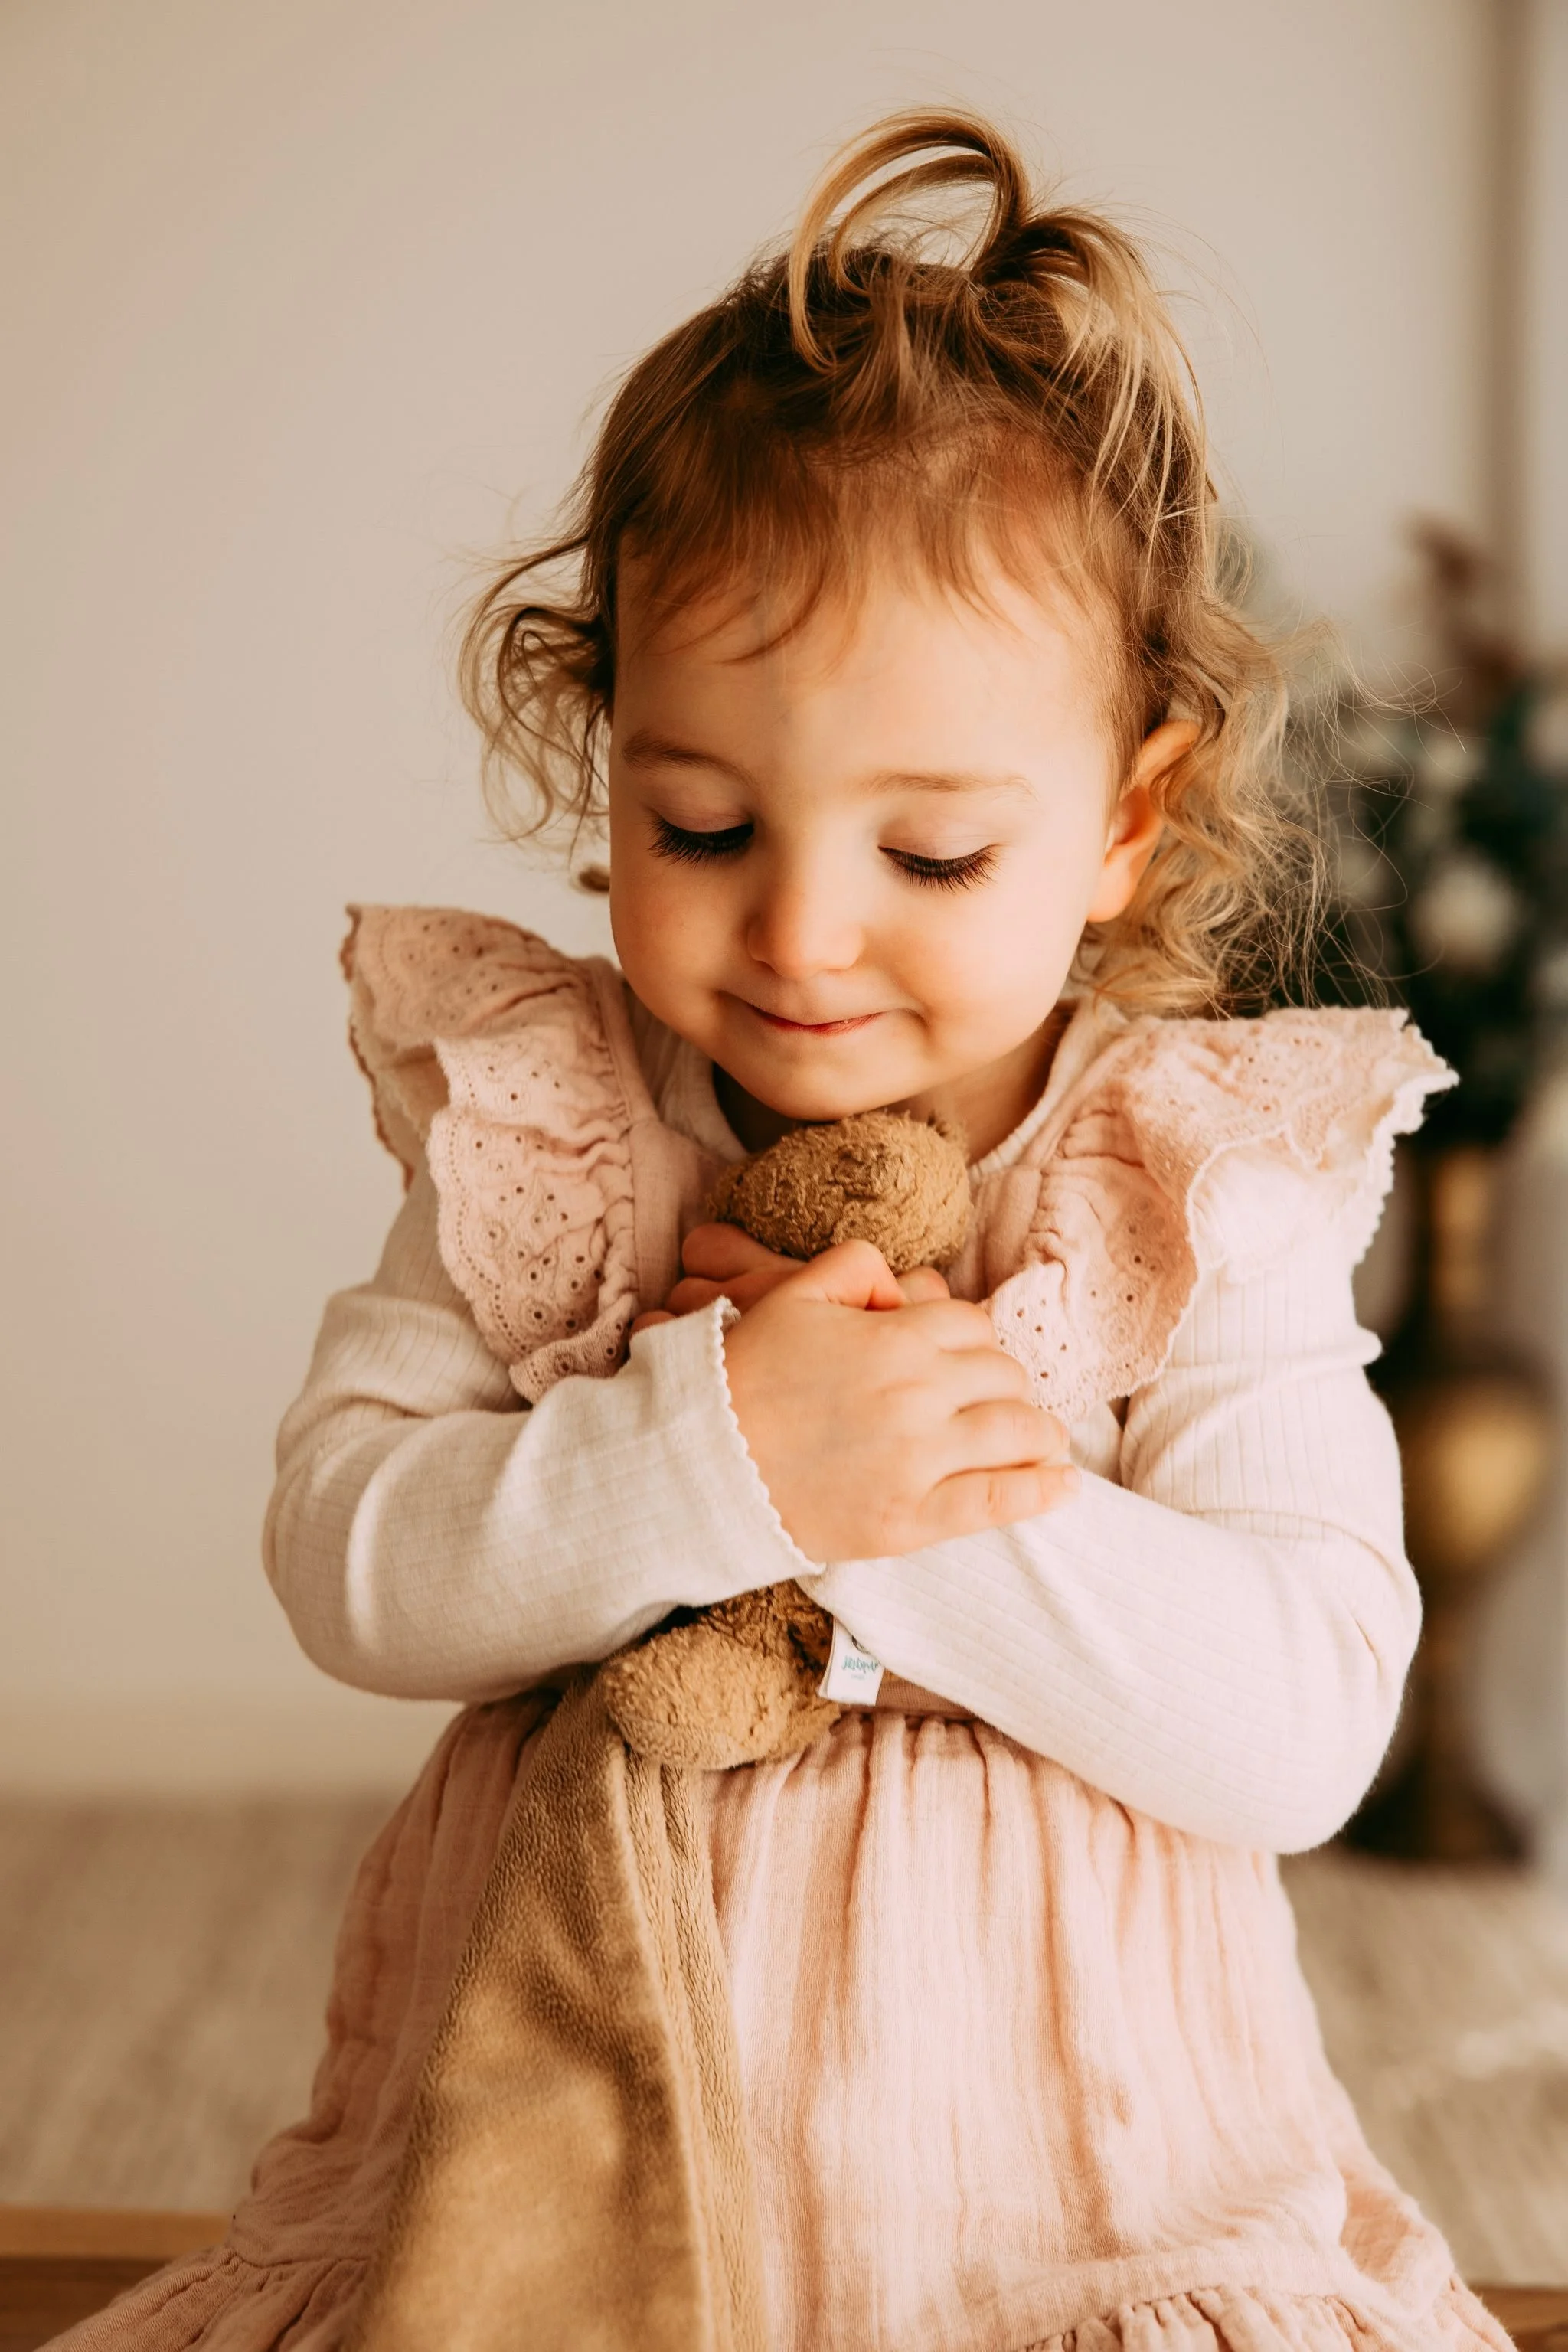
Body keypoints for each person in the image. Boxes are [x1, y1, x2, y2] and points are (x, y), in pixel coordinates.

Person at [67, 110, 1512, 2352]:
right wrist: (705, 1448)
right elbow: (348, 1547)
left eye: (933, 855)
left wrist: (897, 1502)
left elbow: (1306, 1715)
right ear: (605, 741)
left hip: (1073, 2193)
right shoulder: (558, 1121)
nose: (805, 931)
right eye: (705, 820)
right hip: (555, 2161)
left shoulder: (1192, 1168)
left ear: (1125, 820)